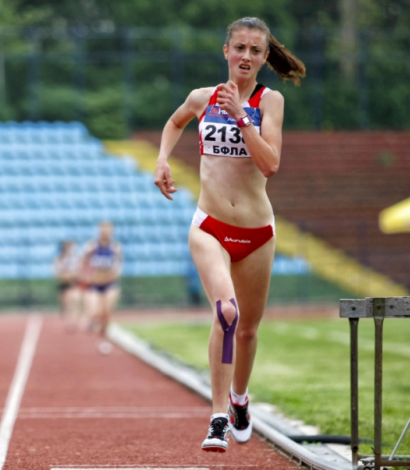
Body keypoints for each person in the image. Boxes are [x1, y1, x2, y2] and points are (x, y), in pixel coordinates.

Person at [153, 17, 305, 452]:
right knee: (227, 312)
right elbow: (174, 122)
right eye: (239, 48)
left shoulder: (269, 101)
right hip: (210, 226)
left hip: (257, 231)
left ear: (264, 57)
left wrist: (243, 118)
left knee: (249, 331)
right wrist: (163, 159)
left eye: (255, 51)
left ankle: (239, 399)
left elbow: (270, 164)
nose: (246, 57)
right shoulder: (202, 98)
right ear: (226, 51)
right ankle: (218, 416)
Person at [81, 221, 123, 355]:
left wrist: (116, 273)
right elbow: (83, 261)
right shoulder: (92, 246)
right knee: (96, 313)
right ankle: (92, 321)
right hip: (95, 284)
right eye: (103, 229)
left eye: (108, 230)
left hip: (110, 284)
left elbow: (119, 263)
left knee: (107, 313)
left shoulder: (115, 247)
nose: (105, 232)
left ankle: (103, 339)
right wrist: (86, 275)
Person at [53, 240, 81, 331]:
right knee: (67, 304)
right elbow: (58, 274)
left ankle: (73, 321)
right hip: (65, 285)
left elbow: (79, 271)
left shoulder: (76, 258)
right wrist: (67, 276)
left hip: (75, 284)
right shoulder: (59, 259)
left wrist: (71, 275)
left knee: (75, 300)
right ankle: (69, 320)